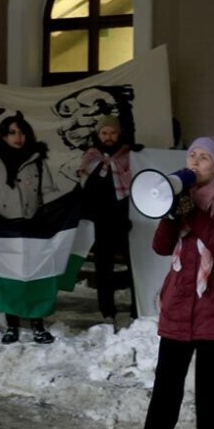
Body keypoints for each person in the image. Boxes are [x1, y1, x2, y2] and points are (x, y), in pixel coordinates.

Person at [127, 137, 214, 429]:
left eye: (204, 158)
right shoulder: (178, 193)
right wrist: (170, 213)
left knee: (211, 384)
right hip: (181, 299)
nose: (195, 162)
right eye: (191, 156)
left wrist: (193, 213)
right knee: (167, 380)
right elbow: (162, 247)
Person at [0, 114, 59, 344]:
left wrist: (66, 206)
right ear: (3, 136)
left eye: (22, 132)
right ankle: (12, 326)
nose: (18, 137)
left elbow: (48, 192)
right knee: (8, 278)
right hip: (3, 228)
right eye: (13, 132)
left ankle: (37, 324)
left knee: (33, 276)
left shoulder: (37, 160)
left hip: (31, 228)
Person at [77, 115, 136, 324]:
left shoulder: (130, 156)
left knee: (135, 266)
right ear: (98, 135)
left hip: (127, 222)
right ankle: (107, 311)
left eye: (112, 132)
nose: (108, 137)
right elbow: (85, 189)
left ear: (119, 134)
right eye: (104, 133)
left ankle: (136, 310)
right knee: (103, 268)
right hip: (101, 223)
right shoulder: (91, 158)